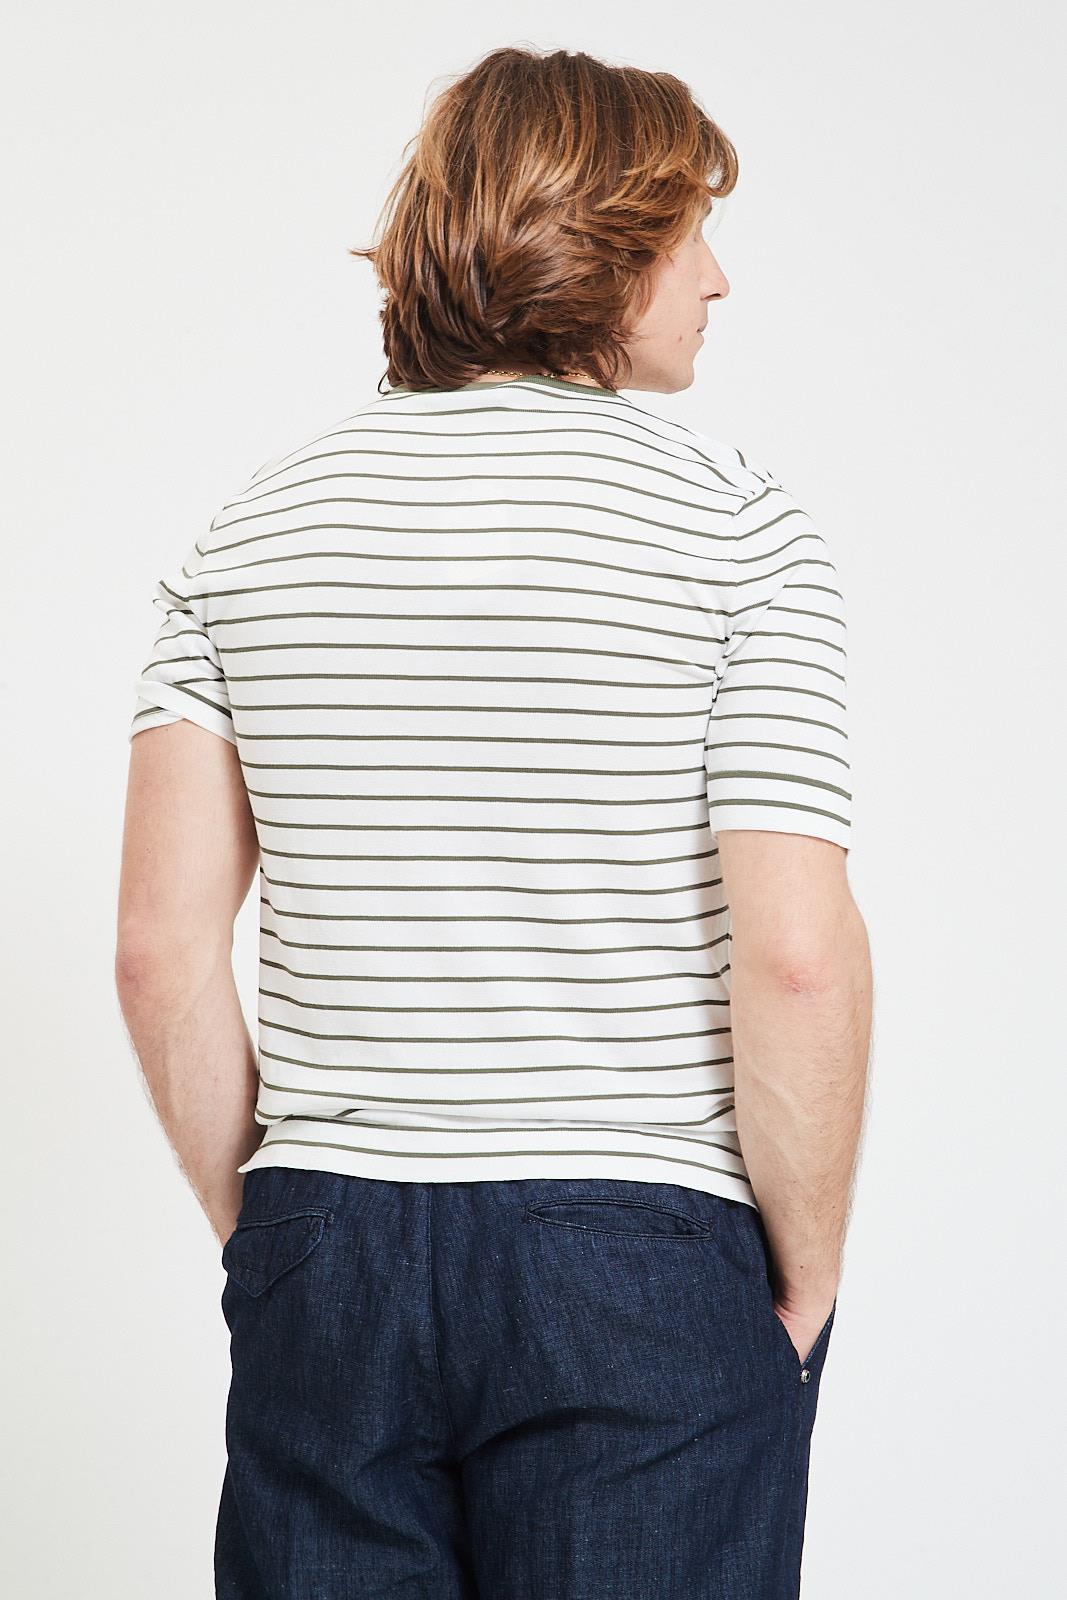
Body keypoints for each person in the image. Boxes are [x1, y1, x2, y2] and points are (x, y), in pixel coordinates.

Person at [116, 44, 872, 1599]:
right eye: (689, 234)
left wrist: (277, 1235)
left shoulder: (243, 537)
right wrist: (804, 1282)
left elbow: (158, 953)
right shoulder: (740, 534)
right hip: (640, 1255)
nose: (717, 280)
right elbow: (797, 957)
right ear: (599, 243)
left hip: (331, 1248)